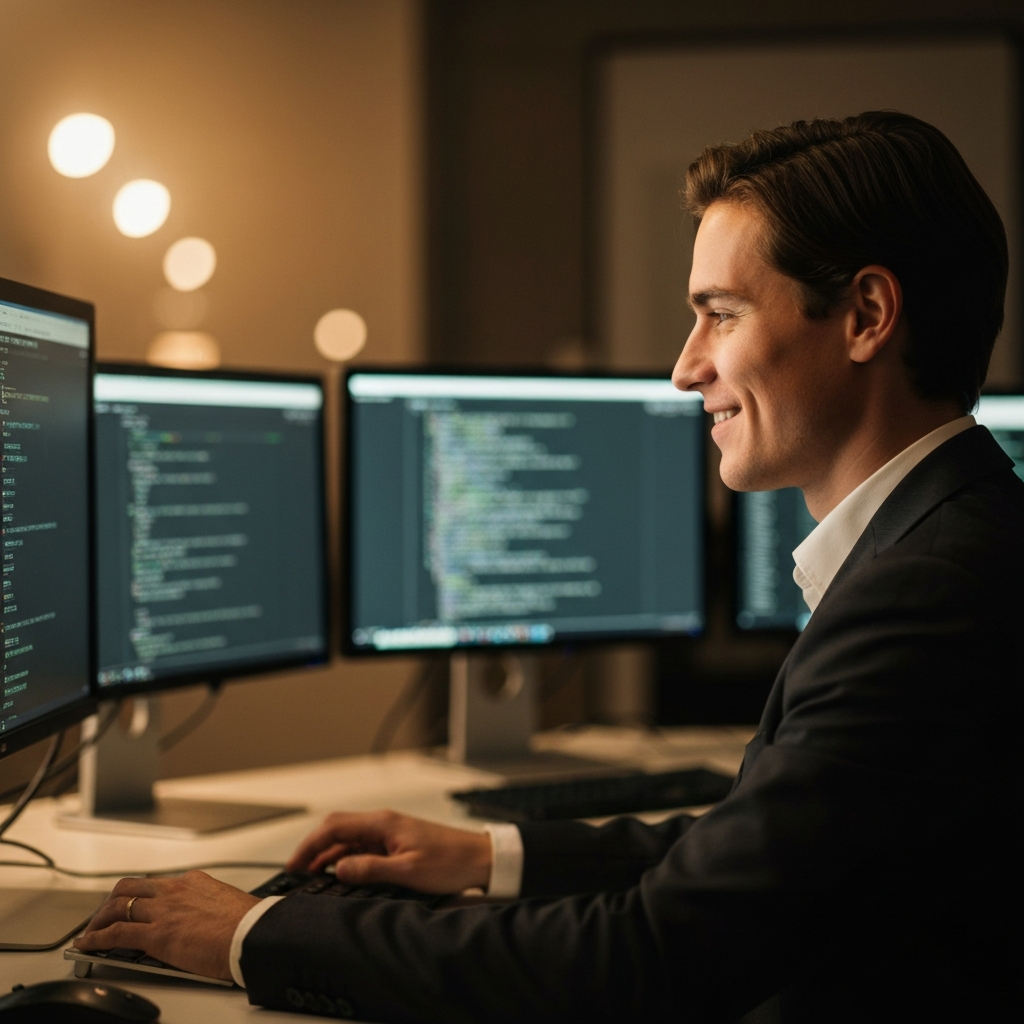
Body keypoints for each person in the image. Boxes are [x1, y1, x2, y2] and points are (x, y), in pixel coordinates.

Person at [76, 111, 1023, 1023]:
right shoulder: (949, 543)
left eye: (720, 314)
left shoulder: (927, 592)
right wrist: (487, 854)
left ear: (865, 315)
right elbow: (767, 860)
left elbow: (646, 960)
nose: (684, 368)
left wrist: (257, 931)